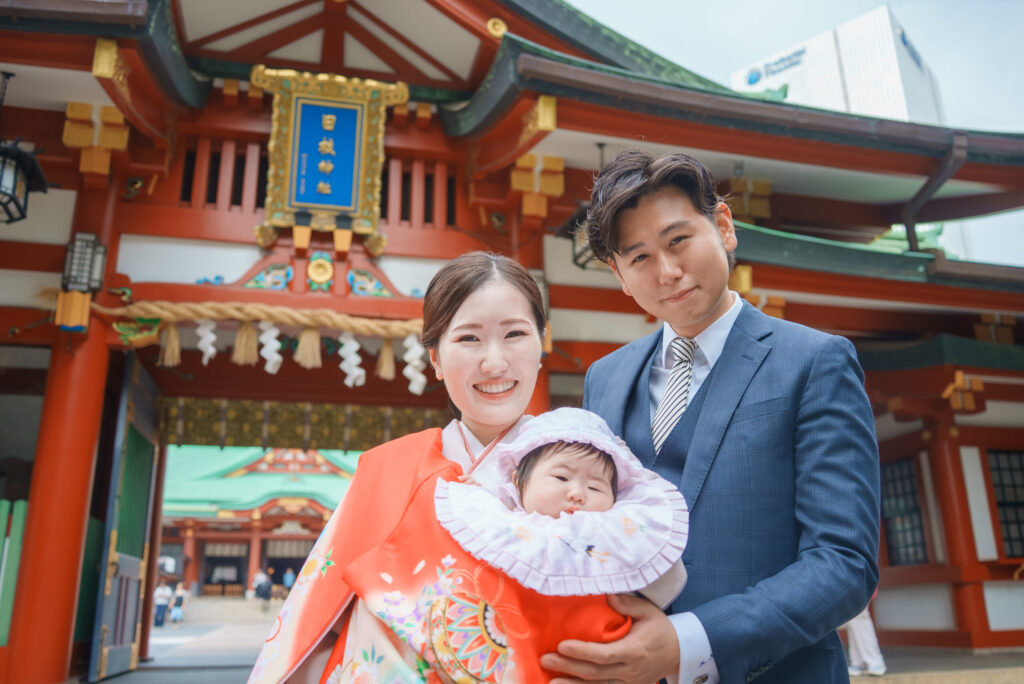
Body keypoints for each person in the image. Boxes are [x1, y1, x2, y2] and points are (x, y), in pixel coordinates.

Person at [540, 149, 880, 684]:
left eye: (678, 241)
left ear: (723, 226)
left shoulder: (814, 360)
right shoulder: (604, 378)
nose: (668, 272)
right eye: (640, 258)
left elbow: (843, 563)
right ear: (620, 275)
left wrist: (688, 642)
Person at [250, 252, 643, 683]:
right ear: (435, 359)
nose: (494, 362)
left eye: (514, 333)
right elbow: (318, 619)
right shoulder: (387, 469)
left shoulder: (593, 468)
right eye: (469, 339)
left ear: (541, 344)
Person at [437, 406, 689, 611]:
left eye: (595, 488)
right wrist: (478, 495)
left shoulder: (611, 532)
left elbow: (667, 582)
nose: (577, 494)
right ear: (517, 481)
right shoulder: (501, 517)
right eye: (561, 478)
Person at [843, 590, 886, 677]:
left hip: (857, 584)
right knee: (854, 620)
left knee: (859, 617)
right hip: (855, 585)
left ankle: (874, 662)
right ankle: (859, 662)